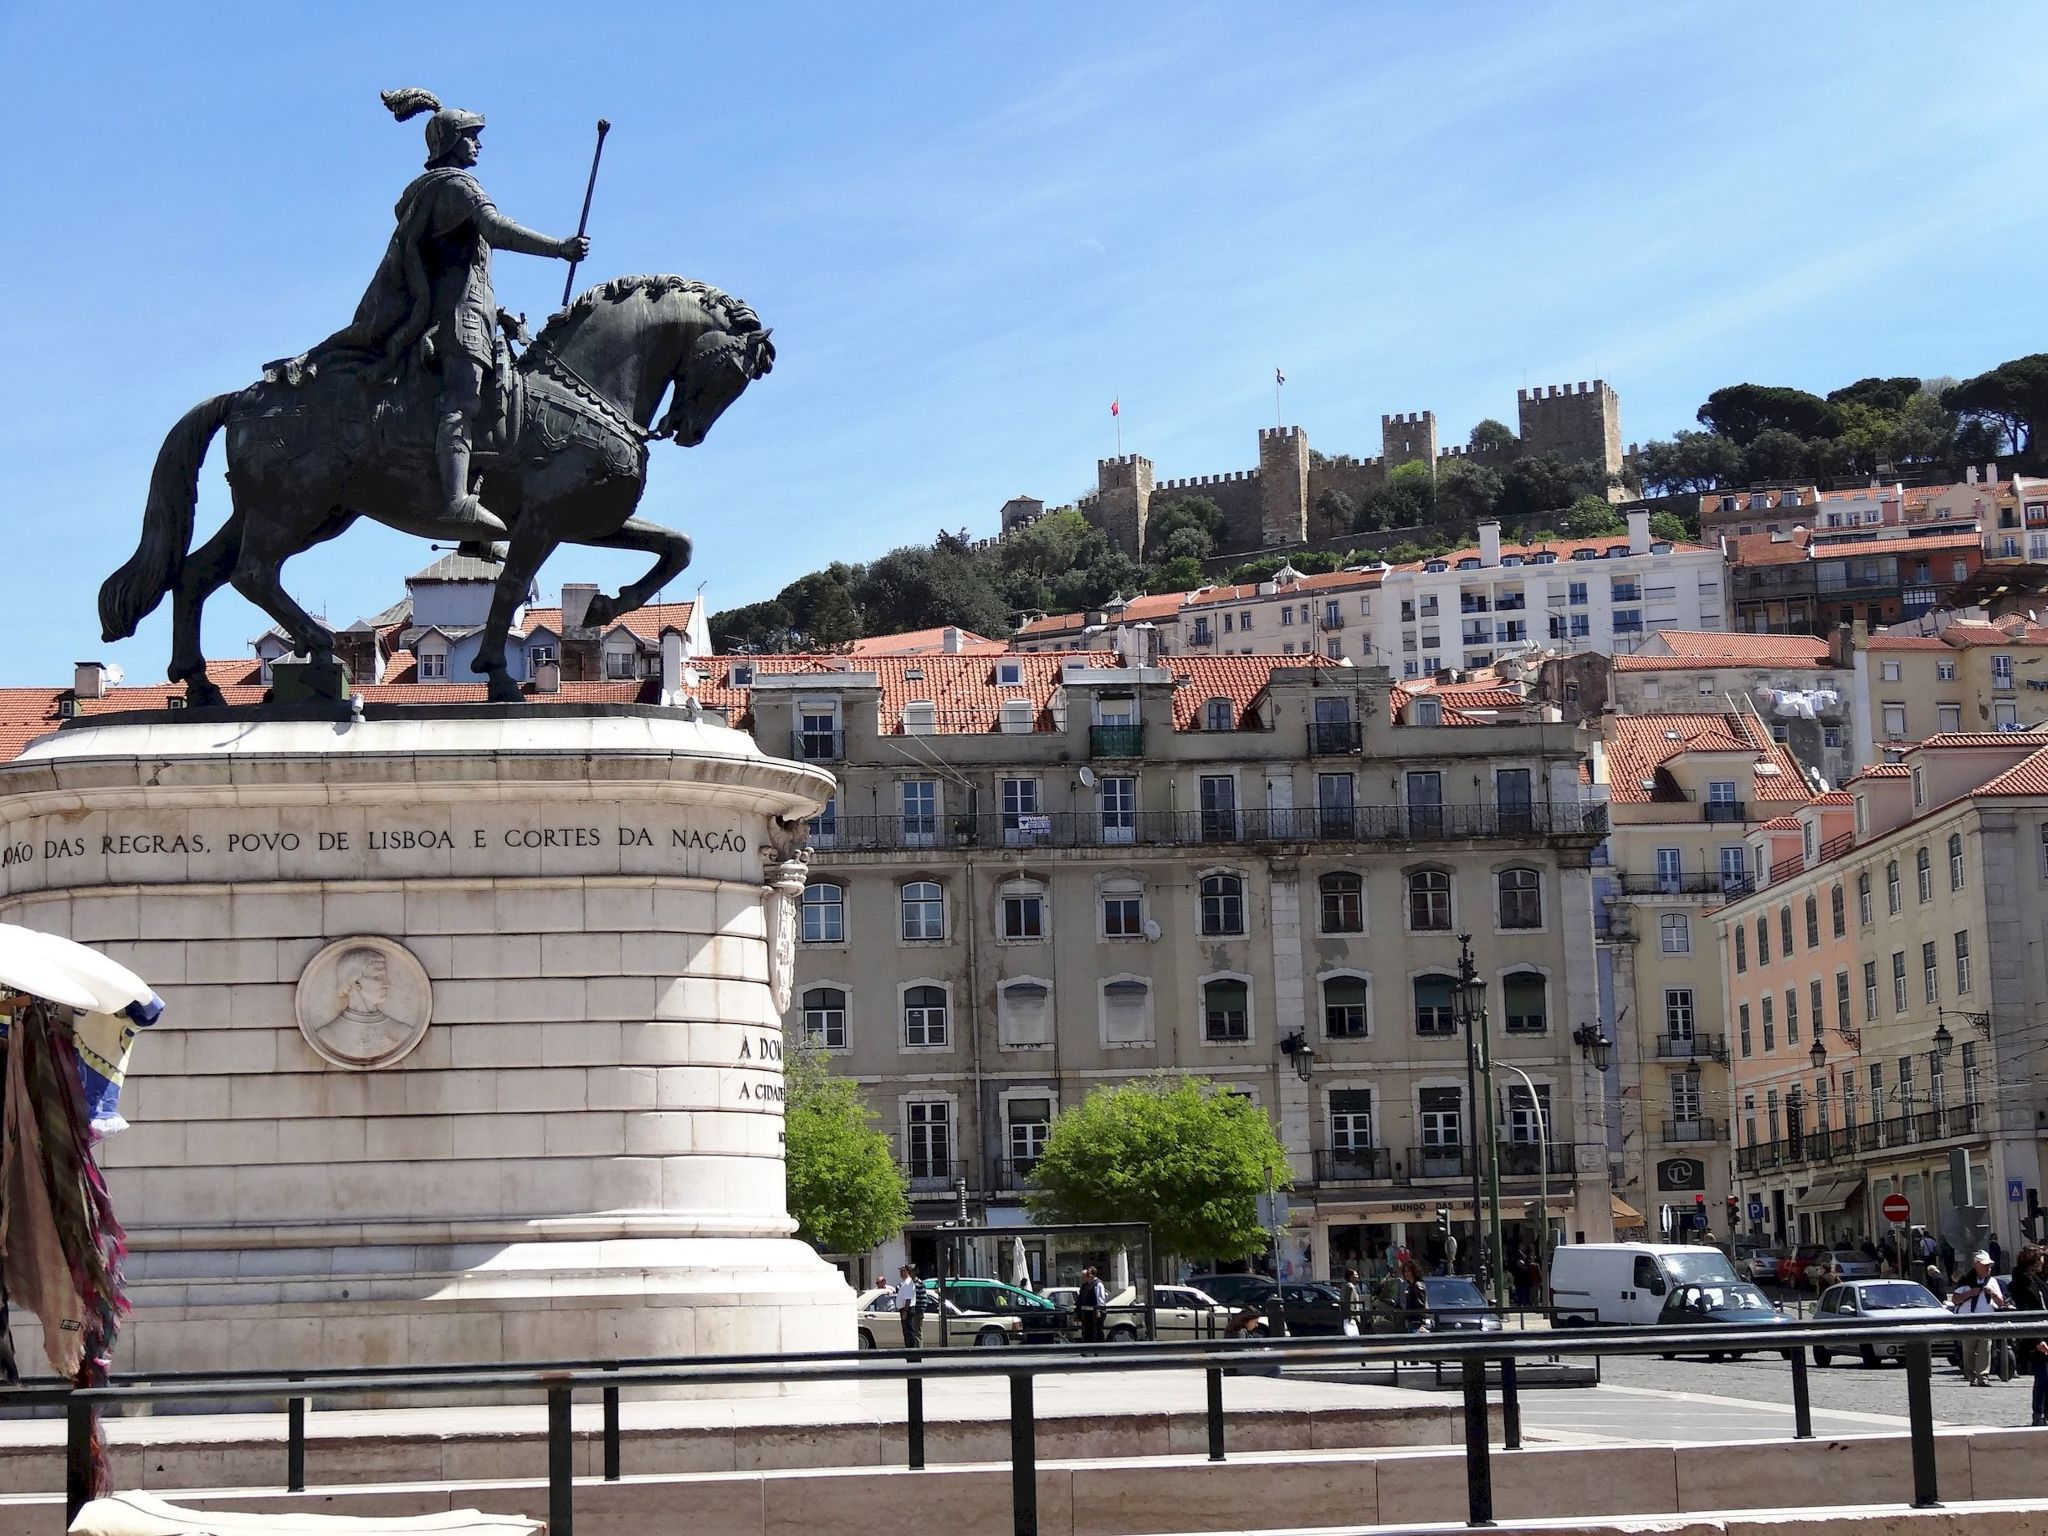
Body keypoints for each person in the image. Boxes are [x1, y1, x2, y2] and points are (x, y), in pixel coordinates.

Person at [300, 88, 591, 536]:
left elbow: (460, 271)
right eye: (472, 135)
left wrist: (502, 314)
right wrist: (559, 249)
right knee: (462, 401)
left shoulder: (435, 192)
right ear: (452, 140)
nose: (479, 144)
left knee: (503, 403)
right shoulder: (456, 186)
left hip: (475, 315)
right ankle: (455, 499)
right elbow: (496, 230)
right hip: (461, 321)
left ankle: (487, 496)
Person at [1950, 1250, 2009, 1384]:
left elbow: (2001, 1303)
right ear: (1976, 1265)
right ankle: (1971, 1376)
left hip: (1986, 1320)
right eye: (1985, 1265)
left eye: (1989, 1266)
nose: (1988, 1268)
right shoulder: (1966, 1280)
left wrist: (1994, 1294)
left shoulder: (1993, 1281)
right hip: (1968, 1321)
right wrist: (1970, 1293)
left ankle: (1983, 1376)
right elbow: (1955, 1299)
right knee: (1968, 1350)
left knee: (1985, 1348)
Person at [2007, 1246, 2048, 1425]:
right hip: (2035, 1337)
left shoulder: (2038, 1280)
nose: (2043, 1262)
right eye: (2040, 1258)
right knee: (2043, 1376)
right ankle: (2038, 1414)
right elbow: (2026, 1311)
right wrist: (2037, 1339)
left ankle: (2045, 1413)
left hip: (2044, 1332)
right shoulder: (2021, 1283)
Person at [895, 1264, 922, 1350]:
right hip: (904, 1309)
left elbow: (908, 1299)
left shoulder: (908, 1282)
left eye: (903, 1271)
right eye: (900, 1271)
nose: (901, 1273)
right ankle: (909, 1352)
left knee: (909, 1333)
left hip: (907, 1309)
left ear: (908, 1272)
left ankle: (912, 1353)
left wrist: (905, 1311)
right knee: (906, 1332)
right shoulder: (905, 1283)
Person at [1077, 1267, 1107, 1344]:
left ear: (1092, 1275)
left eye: (1088, 1274)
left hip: (1097, 1312)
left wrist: (1098, 1310)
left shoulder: (1098, 1284)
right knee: (1090, 1331)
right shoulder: (1087, 1285)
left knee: (1098, 1330)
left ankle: (1101, 1348)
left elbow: (1100, 1298)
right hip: (1089, 1312)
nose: (1086, 1276)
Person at [1341, 1268, 1365, 1337]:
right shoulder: (1350, 1287)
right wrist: (1351, 1317)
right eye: (1355, 1274)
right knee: (1353, 1338)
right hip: (1351, 1318)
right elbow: (1350, 1302)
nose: (1357, 1276)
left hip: (1347, 1316)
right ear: (1351, 1277)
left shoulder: (1345, 1285)